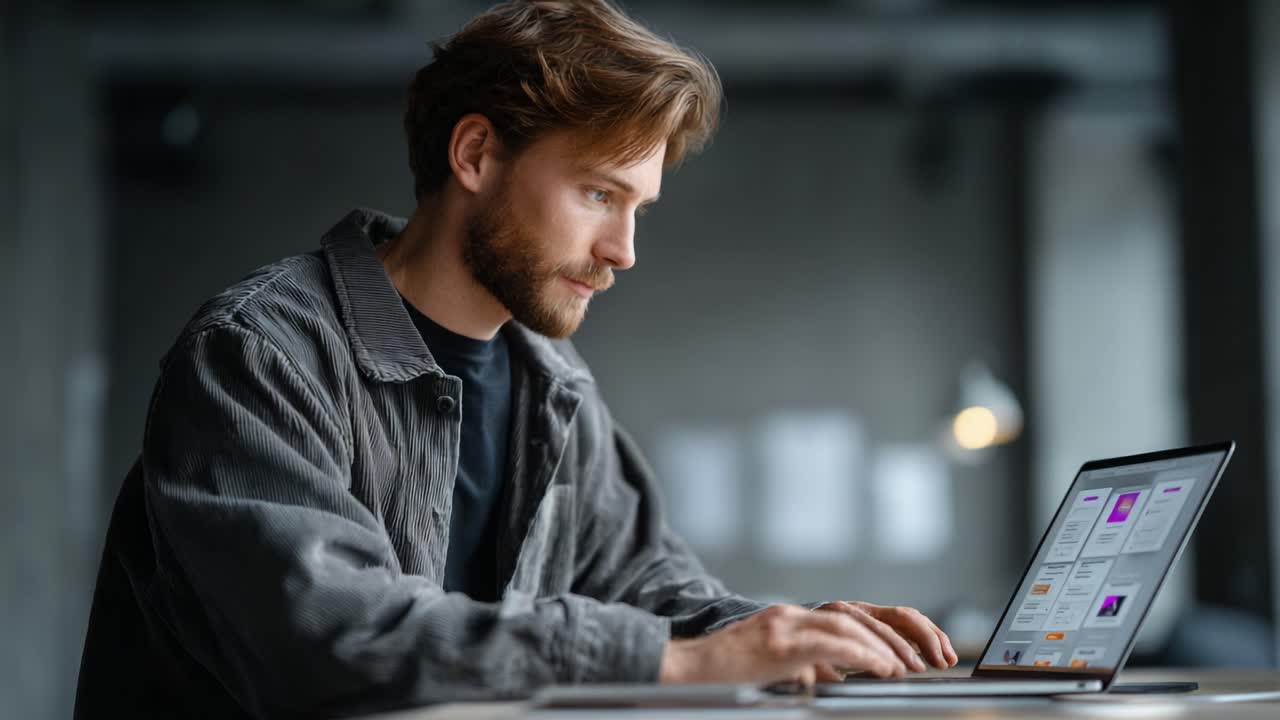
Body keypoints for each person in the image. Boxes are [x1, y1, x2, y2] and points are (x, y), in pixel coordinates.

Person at [75, 1, 957, 717]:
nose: (623, 250)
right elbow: (334, 644)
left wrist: (790, 632)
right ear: (475, 154)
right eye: (598, 194)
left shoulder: (553, 384)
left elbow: (647, 584)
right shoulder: (259, 356)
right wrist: (679, 663)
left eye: (638, 208)